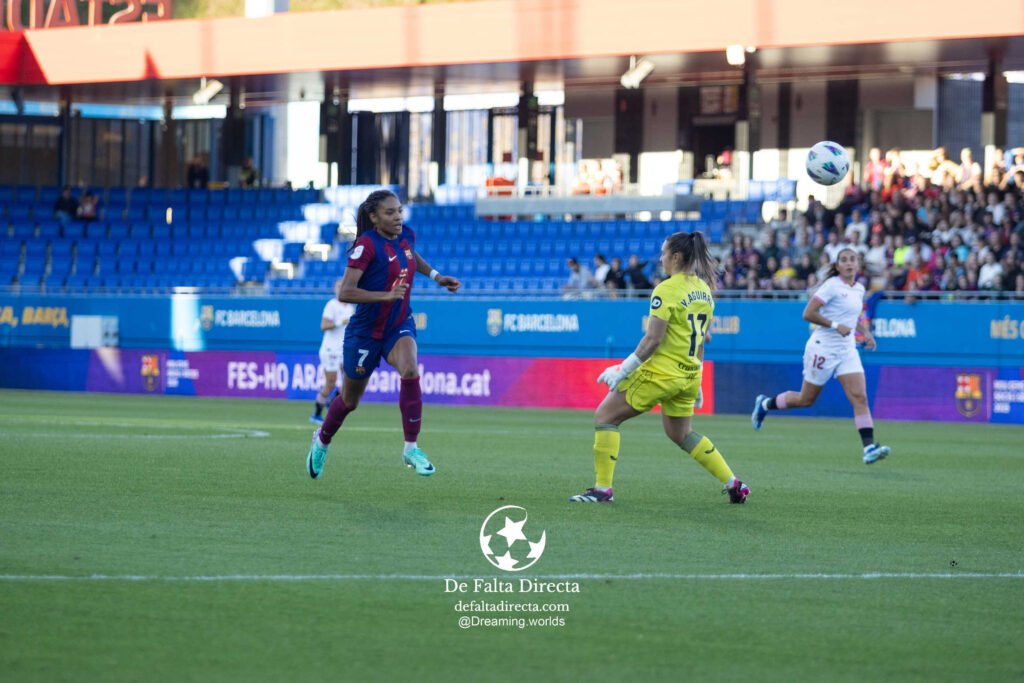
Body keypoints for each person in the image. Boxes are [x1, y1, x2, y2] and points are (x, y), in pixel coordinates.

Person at [569, 231, 750, 505]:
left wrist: (623, 369)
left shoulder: (665, 290)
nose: (661, 258)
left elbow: (653, 339)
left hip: (661, 374)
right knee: (681, 434)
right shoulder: (703, 289)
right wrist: (698, 380)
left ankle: (602, 489)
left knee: (605, 416)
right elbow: (702, 338)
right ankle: (734, 484)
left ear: (676, 256)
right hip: (686, 376)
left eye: (664, 253)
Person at [304, 189, 462, 480]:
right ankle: (323, 439)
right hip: (365, 333)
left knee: (410, 369)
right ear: (374, 218)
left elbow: (410, 256)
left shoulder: (406, 236)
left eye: (399, 210)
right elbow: (346, 292)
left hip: (398, 323)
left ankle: (411, 448)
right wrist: (385, 296)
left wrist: (437, 276)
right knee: (349, 401)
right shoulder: (366, 246)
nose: (398, 216)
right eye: (390, 212)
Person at [750, 247, 891, 465]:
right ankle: (765, 404)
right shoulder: (831, 286)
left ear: (858, 264)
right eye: (844, 260)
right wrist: (836, 325)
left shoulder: (859, 289)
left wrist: (867, 333)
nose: (849, 263)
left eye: (852, 259)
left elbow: (855, 316)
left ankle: (869, 447)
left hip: (846, 349)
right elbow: (808, 313)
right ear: (837, 266)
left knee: (860, 397)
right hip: (822, 348)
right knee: (806, 399)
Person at [310, 278, 356, 425]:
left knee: (349, 381)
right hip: (330, 349)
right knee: (330, 383)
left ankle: (332, 402)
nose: (340, 289)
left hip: (344, 349)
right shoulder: (331, 305)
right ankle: (316, 414)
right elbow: (323, 325)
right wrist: (339, 322)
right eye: (338, 287)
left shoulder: (350, 308)